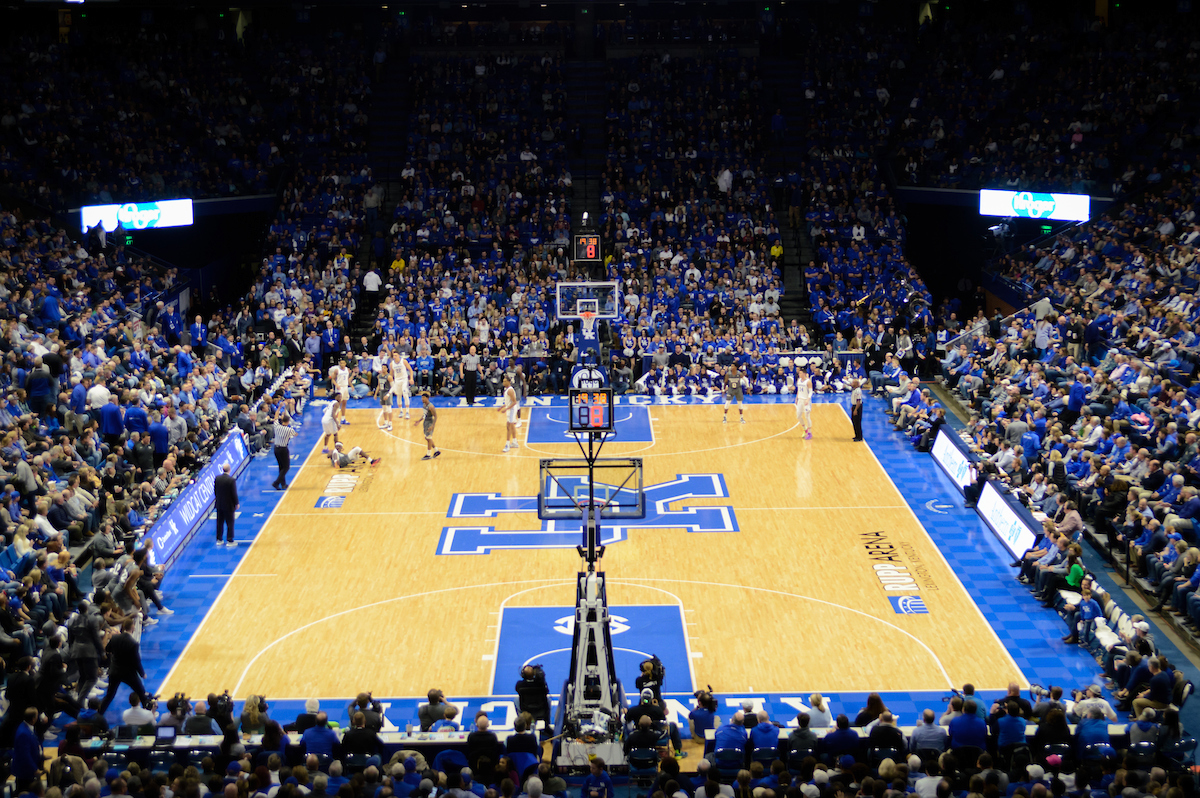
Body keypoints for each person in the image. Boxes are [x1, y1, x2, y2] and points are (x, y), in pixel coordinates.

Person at [97, 618, 147, 712]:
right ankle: (148, 712)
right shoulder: (133, 643)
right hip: (128, 673)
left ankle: (99, 714)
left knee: (109, 695)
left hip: (114, 671)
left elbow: (108, 649)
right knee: (141, 692)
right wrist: (142, 673)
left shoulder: (115, 638)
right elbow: (136, 661)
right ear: (132, 627)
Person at [213, 463, 238, 547]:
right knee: (230, 522)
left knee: (219, 522)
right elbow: (233, 493)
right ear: (229, 470)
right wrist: (236, 503)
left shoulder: (217, 478)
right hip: (229, 505)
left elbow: (215, 491)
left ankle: (219, 539)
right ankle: (230, 540)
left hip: (219, 504)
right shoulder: (231, 480)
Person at [272, 413, 298, 491]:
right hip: (283, 449)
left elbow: (275, 417)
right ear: (288, 421)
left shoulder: (276, 426)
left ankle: (283, 484)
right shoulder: (289, 429)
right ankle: (276, 483)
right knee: (286, 467)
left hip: (276, 449)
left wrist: (279, 408)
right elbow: (295, 434)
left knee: (281, 467)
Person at [414, 393, 441, 460]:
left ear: (427, 398)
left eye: (424, 398)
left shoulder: (431, 406)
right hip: (425, 422)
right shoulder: (424, 405)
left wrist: (432, 425)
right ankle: (436, 450)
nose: (422, 399)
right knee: (427, 438)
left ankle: (428, 454)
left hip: (429, 422)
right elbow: (424, 414)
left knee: (428, 438)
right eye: (422, 398)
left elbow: (435, 416)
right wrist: (419, 421)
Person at [392, 352, 414, 420]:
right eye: (393, 355)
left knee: (405, 394)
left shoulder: (403, 361)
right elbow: (391, 374)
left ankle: (407, 412)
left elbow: (410, 370)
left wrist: (411, 378)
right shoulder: (391, 364)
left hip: (404, 379)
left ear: (399, 356)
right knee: (398, 395)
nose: (394, 356)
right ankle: (401, 411)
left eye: (396, 355)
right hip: (397, 380)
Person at [500, 377, 519, 453]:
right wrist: (502, 406)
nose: (503, 383)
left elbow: (514, 402)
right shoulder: (507, 389)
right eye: (503, 381)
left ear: (509, 382)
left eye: (505, 381)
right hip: (510, 409)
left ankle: (507, 445)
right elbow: (508, 401)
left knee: (508, 426)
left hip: (511, 410)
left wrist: (506, 409)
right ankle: (514, 442)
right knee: (511, 426)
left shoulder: (510, 390)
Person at [795, 368, 813, 440]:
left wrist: (808, 399)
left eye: (801, 373)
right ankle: (805, 428)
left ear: (804, 374)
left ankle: (810, 433)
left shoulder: (808, 382)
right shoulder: (799, 380)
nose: (799, 374)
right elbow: (798, 390)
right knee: (798, 416)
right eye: (799, 373)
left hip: (806, 400)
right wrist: (796, 398)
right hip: (800, 400)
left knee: (807, 416)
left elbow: (811, 392)